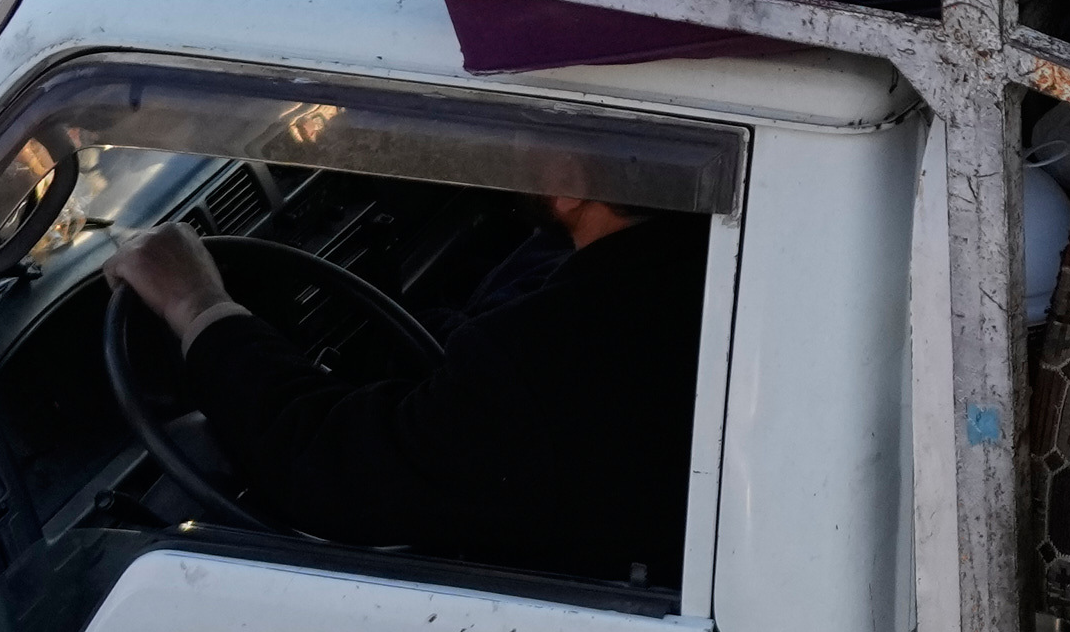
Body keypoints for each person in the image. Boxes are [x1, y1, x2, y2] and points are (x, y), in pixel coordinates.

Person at [106, 196, 709, 587]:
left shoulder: (556, 350)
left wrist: (196, 304)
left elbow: (327, 470)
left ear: (577, 181)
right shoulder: (683, 260)